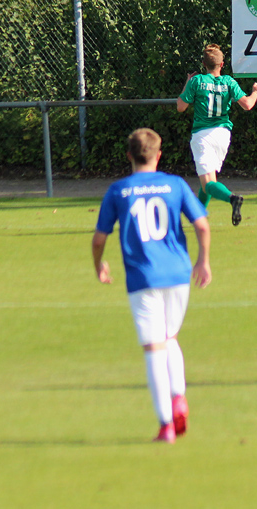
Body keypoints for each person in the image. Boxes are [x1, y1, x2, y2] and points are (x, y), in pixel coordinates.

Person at [92, 128, 211, 443]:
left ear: (129, 156)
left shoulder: (118, 190)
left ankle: (165, 425)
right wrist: (204, 261)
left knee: (153, 349)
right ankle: (179, 396)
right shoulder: (175, 184)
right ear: (159, 155)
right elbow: (202, 224)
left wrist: (99, 265)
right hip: (179, 274)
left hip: (143, 277)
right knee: (169, 336)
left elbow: (98, 239)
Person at [177, 43, 257, 226]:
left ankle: (232, 198)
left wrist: (188, 81)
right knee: (209, 179)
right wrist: (256, 93)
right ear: (222, 64)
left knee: (207, 183)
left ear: (204, 63)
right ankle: (198, 217)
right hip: (223, 135)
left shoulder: (197, 81)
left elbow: (180, 107)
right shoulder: (229, 82)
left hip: (203, 135)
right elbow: (248, 105)